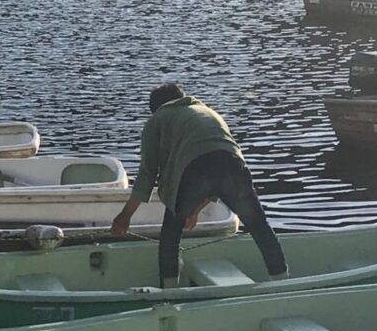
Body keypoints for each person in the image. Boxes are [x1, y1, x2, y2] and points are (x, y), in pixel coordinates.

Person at [111, 82, 288, 288]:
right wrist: (195, 208)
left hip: (195, 168)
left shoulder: (157, 119)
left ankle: (169, 293)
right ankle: (282, 283)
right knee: (260, 226)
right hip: (234, 164)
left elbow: (147, 175)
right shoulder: (207, 111)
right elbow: (218, 164)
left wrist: (125, 217)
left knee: (170, 235)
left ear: (156, 108)